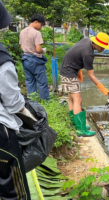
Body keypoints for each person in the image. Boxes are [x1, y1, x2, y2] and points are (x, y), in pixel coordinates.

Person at [0, 1, 34, 198]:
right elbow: (13, 103)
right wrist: (32, 118)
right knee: (15, 190)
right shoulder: (2, 60)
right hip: (2, 133)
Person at [59, 32, 109, 137]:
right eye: (102, 47)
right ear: (96, 44)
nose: (103, 49)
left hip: (66, 69)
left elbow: (76, 54)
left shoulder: (87, 41)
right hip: (69, 73)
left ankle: (76, 123)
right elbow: (91, 76)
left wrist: (77, 69)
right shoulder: (89, 54)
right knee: (78, 100)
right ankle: (81, 129)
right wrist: (104, 89)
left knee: (72, 99)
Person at [20, 14, 49, 100]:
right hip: (35, 60)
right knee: (42, 82)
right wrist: (43, 50)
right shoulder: (36, 33)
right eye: (41, 25)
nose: (41, 27)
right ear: (36, 22)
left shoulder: (22, 32)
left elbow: (21, 47)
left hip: (25, 59)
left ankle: (33, 102)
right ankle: (45, 102)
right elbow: (38, 49)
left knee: (30, 81)